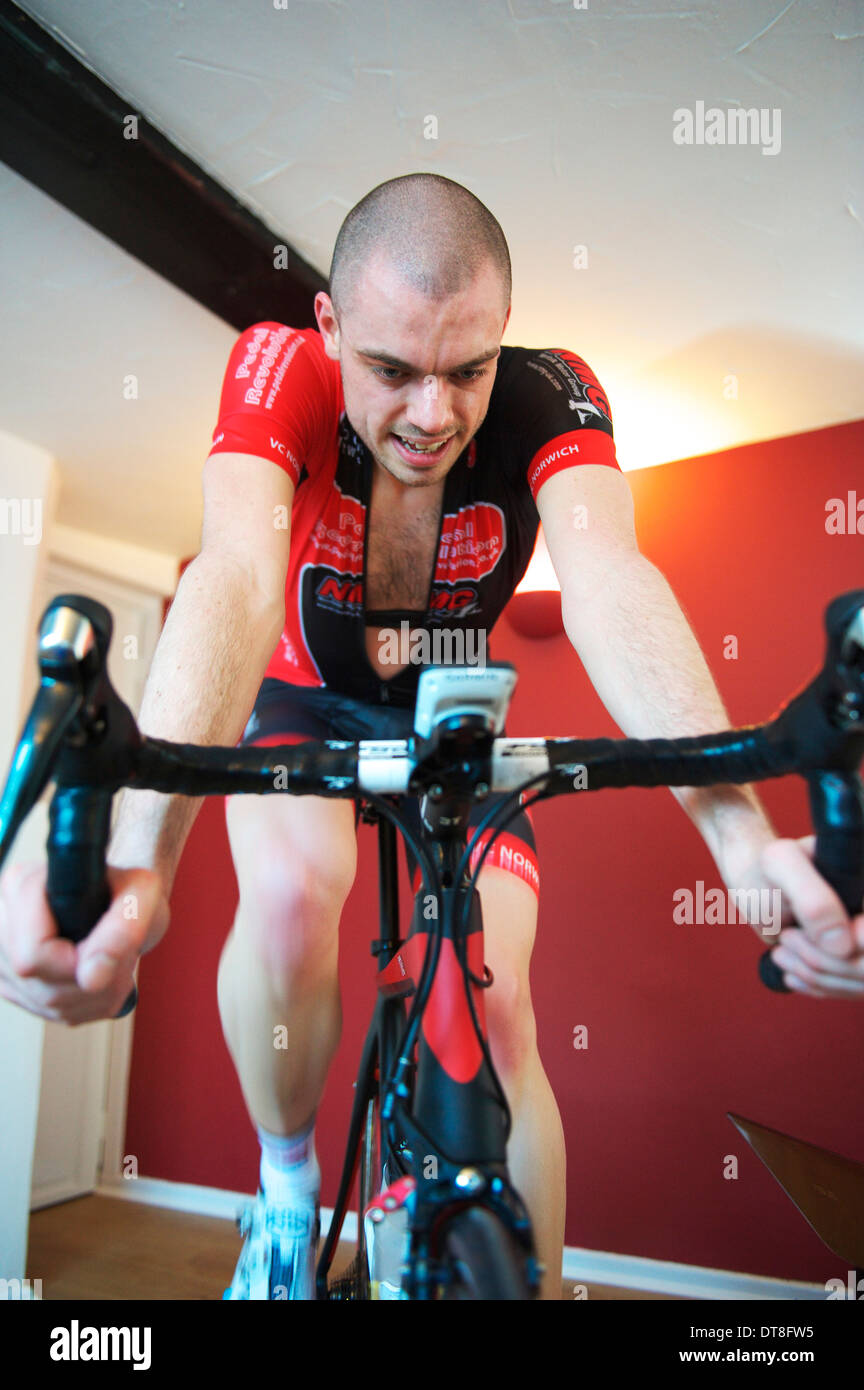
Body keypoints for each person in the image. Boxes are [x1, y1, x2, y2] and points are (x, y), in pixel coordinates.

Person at [1, 174, 862, 1303]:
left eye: (468, 369)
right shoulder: (278, 366)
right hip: (299, 704)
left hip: (453, 715)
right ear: (331, 328)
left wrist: (745, 849)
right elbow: (237, 577)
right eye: (392, 369)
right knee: (299, 893)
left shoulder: (554, 392)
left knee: (500, 1000)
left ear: (505, 340)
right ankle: (288, 1186)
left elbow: (611, 581)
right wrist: (139, 860)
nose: (433, 414)